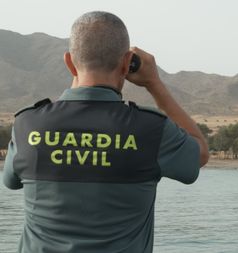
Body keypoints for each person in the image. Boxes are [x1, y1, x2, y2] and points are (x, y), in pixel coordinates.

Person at [2, 11, 209, 253]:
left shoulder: (28, 124)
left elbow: (11, 181)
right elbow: (200, 153)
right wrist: (154, 83)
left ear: (69, 62)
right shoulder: (150, 129)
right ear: (126, 63)